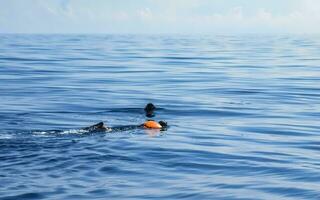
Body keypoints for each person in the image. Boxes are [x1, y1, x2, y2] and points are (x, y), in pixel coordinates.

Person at [82, 103, 168, 133]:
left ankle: (103, 127)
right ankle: (103, 128)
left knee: (115, 130)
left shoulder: (151, 123)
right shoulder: (154, 127)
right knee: (115, 131)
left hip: (136, 126)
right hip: (137, 128)